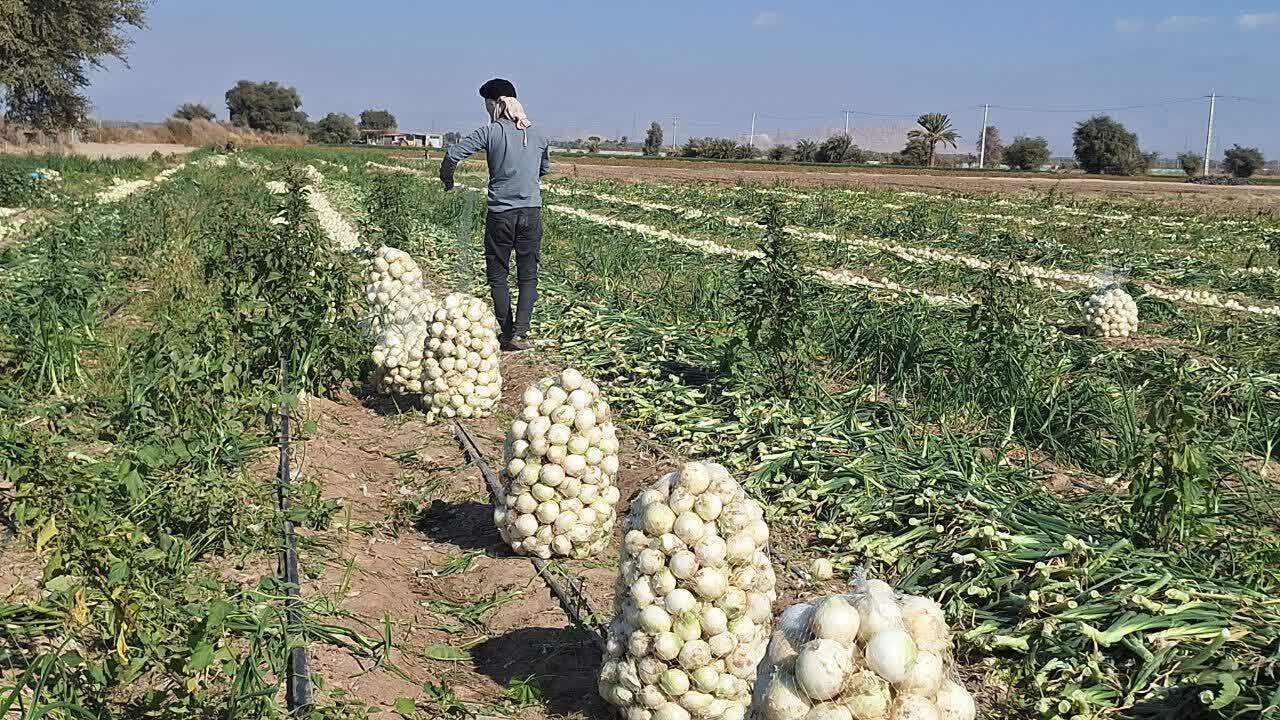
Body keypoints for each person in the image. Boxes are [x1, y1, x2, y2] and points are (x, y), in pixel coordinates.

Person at [440, 78, 550, 352]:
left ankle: (507, 332)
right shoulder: (538, 134)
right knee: (528, 274)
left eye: (486, 104)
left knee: (498, 273)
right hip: (531, 213)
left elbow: (452, 156)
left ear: (495, 104)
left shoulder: (490, 132)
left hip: (501, 214)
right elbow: (544, 169)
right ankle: (521, 334)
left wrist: (448, 181)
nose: (486, 110)